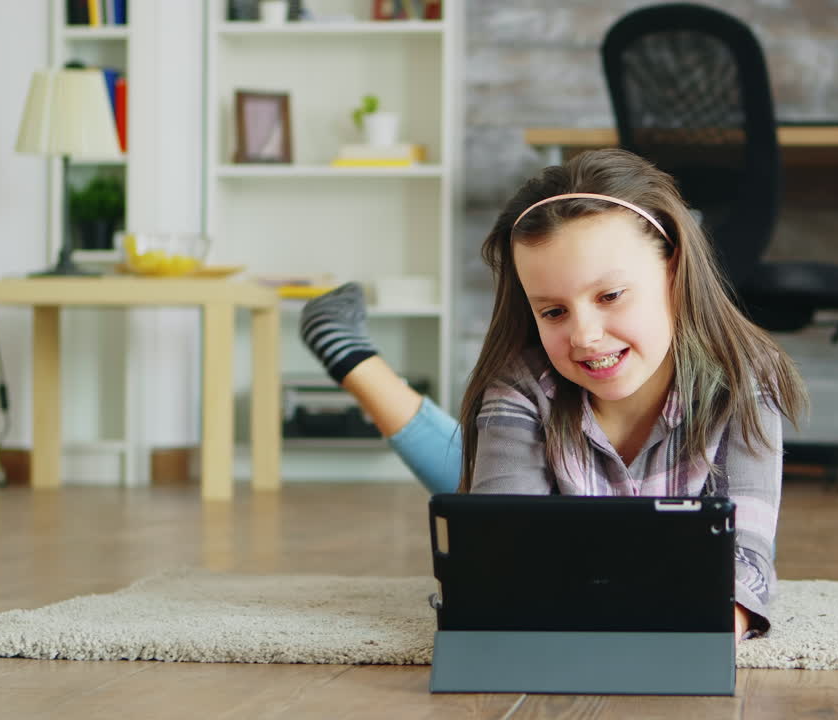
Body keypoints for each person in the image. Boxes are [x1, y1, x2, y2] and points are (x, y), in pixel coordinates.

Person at [299, 148, 807, 640]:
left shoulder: (744, 382)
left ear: (673, 271)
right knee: (479, 505)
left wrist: (721, 617)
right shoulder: (522, 385)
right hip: (537, 483)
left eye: (610, 296)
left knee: (458, 479)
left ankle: (350, 356)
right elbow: (502, 556)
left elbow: (748, 556)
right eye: (553, 311)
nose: (585, 335)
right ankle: (348, 355)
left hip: (573, 538)